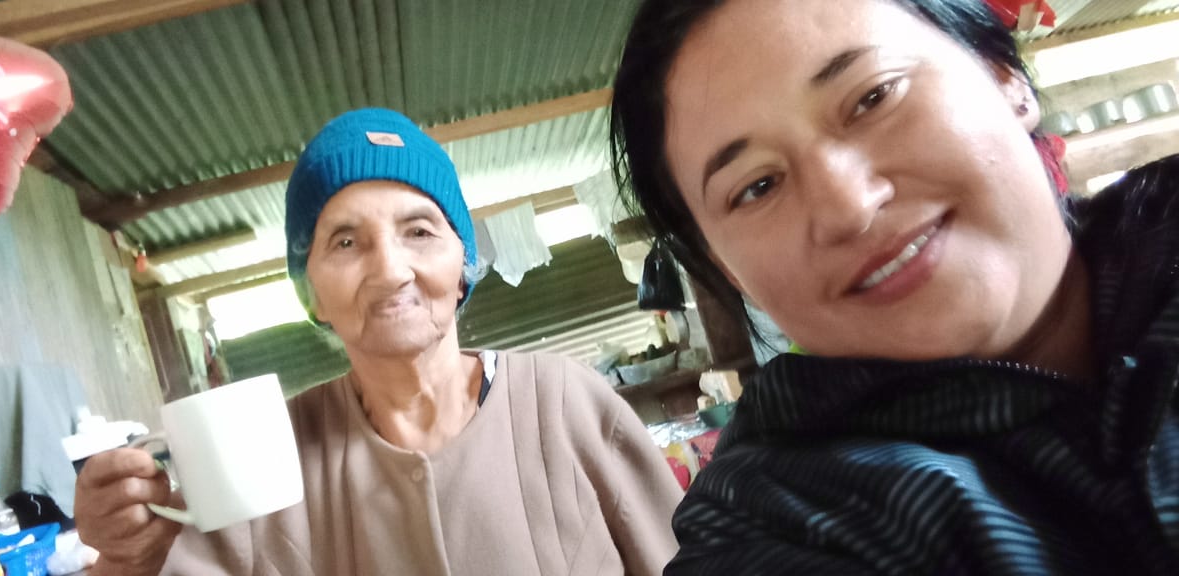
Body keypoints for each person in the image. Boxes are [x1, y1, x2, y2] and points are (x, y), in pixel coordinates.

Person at [609, 0, 1179, 574]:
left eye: (873, 97)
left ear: (1005, 78)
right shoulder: (775, 514)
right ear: (730, 270)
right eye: (757, 186)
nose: (849, 206)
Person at [75, 108, 683, 576]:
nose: (390, 271)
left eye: (419, 231)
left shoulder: (565, 403)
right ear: (310, 292)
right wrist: (127, 557)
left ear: (464, 265)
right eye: (345, 242)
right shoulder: (264, 457)